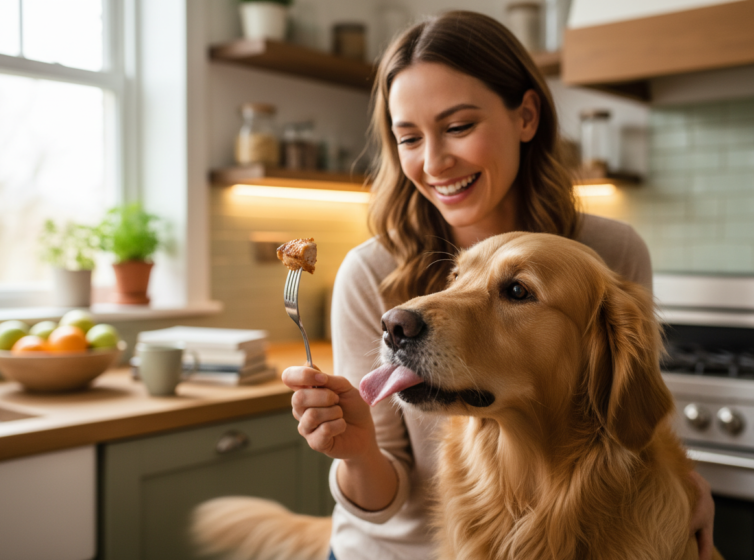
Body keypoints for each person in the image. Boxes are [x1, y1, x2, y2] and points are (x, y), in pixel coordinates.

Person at [283, 10, 715, 560]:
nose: (434, 162)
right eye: (408, 137)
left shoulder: (610, 255)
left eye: (459, 127)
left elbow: (632, 425)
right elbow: (383, 501)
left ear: (527, 116)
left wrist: (687, 493)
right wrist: (358, 452)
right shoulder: (369, 273)